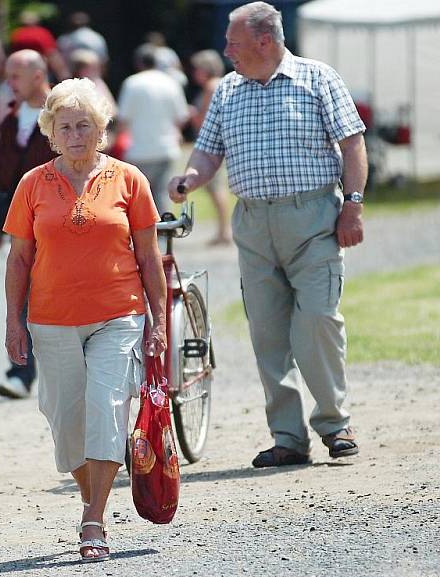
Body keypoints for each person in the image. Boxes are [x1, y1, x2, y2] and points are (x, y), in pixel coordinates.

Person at [168, 1, 366, 467]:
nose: (226, 50)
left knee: (317, 319)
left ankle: (335, 424)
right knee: (268, 333)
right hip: (254, 222)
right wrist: (189, 179)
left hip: (313, 216)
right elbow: (208, 151)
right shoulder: (228, 90)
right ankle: (288, 437)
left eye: (233, 42)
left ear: (264, 40)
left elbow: (352, 142)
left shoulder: (318, 79)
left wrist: (353, 206)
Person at [3, 78, 166, 562]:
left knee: (107, 404)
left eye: (85, 125)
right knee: (64, 418)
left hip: (118, 312)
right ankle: (94, 487)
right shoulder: (32, 184)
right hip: (51, 318)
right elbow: (18, 259)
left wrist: (157, 322)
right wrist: (14, 323)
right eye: (66, 126)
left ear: (102, 130)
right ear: (52, 133)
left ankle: (93, 516)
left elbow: (149, 258)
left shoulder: (129, 179)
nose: (76, 134)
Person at [0, 49, 55, 400]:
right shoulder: (11, 119)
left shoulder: (63, 113)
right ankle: (20, 373)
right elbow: (3, 174)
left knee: (61, 294)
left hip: (59, 220)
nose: (9, 83)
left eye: (16, 76)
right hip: (22, 224)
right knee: (21, 296)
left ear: (38, 74)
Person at [118, 43, 188, 213]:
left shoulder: (132, 83)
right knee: (162, 198)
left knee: (139, 200)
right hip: (166, 148)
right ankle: (163, 238)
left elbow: (123, 119)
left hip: (139, 151)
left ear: (138, 63)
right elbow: (182, 116)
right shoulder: (170, 82)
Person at [189, 49, 232, 245]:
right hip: (221, 144)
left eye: (197, 69)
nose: (194, 73)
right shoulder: (221, 84)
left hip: (213, 146)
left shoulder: (211, 87)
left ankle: (224, 232)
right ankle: (223, 230)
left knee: (216, 189)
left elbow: (206, 121)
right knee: (217, 188)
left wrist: (192, 114)